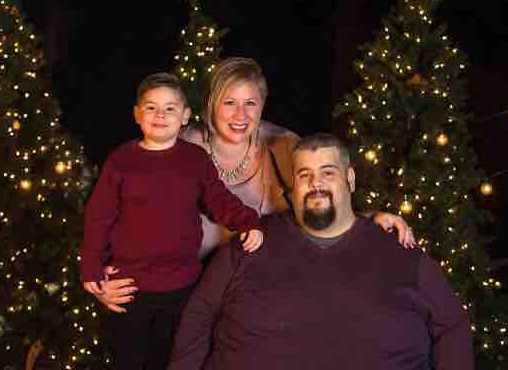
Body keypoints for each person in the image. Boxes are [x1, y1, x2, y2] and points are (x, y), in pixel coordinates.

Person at [89, 57, 415, 312]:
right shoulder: (179, 147)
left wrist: (369, 219)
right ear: (210, 104)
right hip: (184, 295)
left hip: (264, 294)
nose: (240, 114)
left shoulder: (283, 146)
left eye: (251, 103)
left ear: (263, 105)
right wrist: (103, 277)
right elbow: (118, 212)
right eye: (229, 102)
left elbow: (320, 204)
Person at [167, 132, 474, 370]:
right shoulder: (250, 242)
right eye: (304, 174)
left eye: (328, 172)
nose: (315, 183)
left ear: (350, 179)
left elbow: (451, 325)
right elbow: (198, 315)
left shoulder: (398, 251)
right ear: (293, 185)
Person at [80, 72, 264, 369]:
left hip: (181, 285)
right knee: (127, 360)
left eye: (170, 108)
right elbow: (99, 217)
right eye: (151, 108)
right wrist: (91, 267)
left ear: (185, 116)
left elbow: (218, 199)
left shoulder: (195, 159)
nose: (160, 115)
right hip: (129, 286)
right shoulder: (121, 161)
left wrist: (248, 222)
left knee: (169, 360)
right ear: (137, 114)